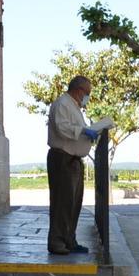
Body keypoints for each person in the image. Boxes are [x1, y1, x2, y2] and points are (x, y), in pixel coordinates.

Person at [46, 75, 99, 255]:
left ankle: (69, 239)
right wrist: (84, 130)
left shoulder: (75, 107)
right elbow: (63, 128)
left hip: (73, 159)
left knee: (74, 203)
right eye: (87, 93)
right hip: (62, 158)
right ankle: (57, 242)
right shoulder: (62, 104)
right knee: (62, 202)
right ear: (78, 91)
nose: (88, 97)